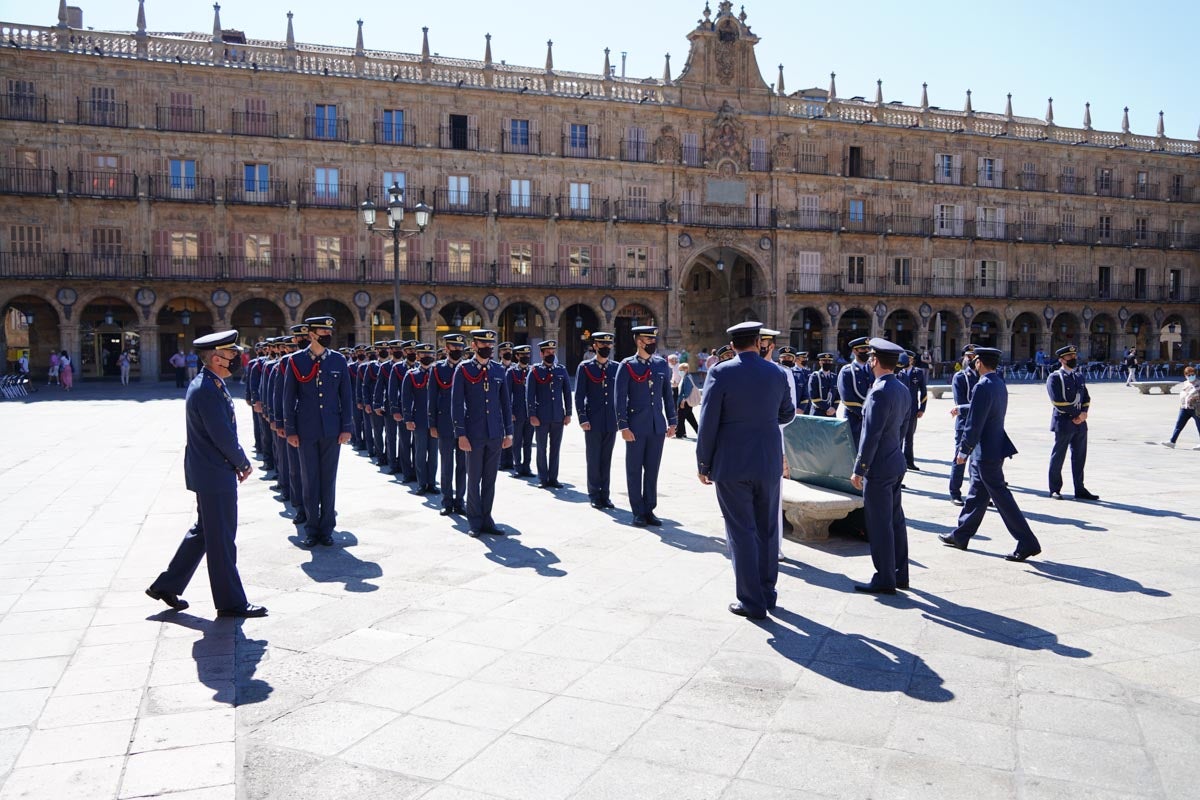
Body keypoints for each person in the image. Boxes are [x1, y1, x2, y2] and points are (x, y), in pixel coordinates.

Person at [145, 330, 266, 618]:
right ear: (215, 357)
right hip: (215, 471)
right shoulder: (208, 389)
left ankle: (167, 585)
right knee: (222, 538)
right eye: (231, 353)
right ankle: (230, 602)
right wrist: (242, 462)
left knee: (204, 532)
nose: (236, 357)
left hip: (208, 470)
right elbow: (221, 435)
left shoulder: (210, 382)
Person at [696, 321, 796, 619]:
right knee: (767, 529)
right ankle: (767, 593)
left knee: (741, 530)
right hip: (767, 461)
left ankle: (751, 601)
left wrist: (704, 462)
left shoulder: (721, 372)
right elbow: (787, 412)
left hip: (732, 463)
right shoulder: (777, 372)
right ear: (758, 342)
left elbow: (708, 420)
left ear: (734, 344)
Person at [939, 347, 1043, 562]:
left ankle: (1027, 541)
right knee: (977, 494)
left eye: (975, 360)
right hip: (995, 447)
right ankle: (961, 535)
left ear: (979, 362)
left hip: (985, 450)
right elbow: (984, 409)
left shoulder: (982, 386)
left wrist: (964, 450)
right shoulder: (997, 383)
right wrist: (963, 408)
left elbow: (975, 423)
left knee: (1002, 497)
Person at [282, 316, 353, 547]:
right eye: (322, 331)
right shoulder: (296, 361)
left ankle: (327, 528)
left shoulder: (339, 361)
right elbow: (288, 398)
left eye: (329, 330)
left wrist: (346, 427)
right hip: (306, 430)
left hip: (332, 430)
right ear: (311, 334)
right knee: (309, 479)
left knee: (328, 480)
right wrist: (290, 429)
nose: (327, 334)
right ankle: (312, 529)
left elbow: (346, 397)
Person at [849, 339, 912, 595]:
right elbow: (903, 429)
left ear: (874, 360)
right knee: (896, 520)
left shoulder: (878, 391)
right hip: (895, 461)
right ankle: (900, 573)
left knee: (879, 523)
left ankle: (884, 578)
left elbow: (871, 434)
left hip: (879, 467)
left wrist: (860, 467)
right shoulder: (901, 388)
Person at [451, 329, 513, 536]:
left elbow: (505, 403)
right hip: (473, 434)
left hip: (495, 433)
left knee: (490, 479)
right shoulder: (463, 369)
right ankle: (474, 521)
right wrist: (461, 434)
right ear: (474, 345)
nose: (488, 348)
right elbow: (457, 404)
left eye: (490, 345)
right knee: (473, 478)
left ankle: (487, 518)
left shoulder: (498, 370)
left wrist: (508, 433)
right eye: (483, 345)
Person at [615, 325, 676, 526]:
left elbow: (667, 395)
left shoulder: (661, 365)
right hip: (635, 426)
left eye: (653, 339)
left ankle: (649, 508)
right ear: (639, 341)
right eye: (648, 340)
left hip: (657, 426)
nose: (652, 343)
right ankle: (638, 511)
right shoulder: (627, 365)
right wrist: (623, 426)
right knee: (634, 469)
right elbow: (620, 398)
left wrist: (672, 421)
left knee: (652, 469)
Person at [1046, 345, 1099, 501]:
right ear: (1062, 359)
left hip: (1080, 423)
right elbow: (1057, 402)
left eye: (1074, 356)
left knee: (1079, 456)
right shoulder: (1055, 377)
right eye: (1070, 357)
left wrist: (1083, 414)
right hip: (1064, 422)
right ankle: (1055, 488)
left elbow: (1086, 398)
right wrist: (1077, 414)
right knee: (1058, 456)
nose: (1073, 359)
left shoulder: (1078, 376)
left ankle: (1080, 488)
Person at [574, 333, 618, 509]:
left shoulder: (616, 367)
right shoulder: (585, 367)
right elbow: (579, 395)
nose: (606, 347)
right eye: (602, 344)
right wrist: (582, 418)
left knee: (606, 459)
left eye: (608, 344)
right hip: (593, 420)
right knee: (593, 458)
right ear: (595, 346)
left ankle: (605, 495)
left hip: (611, 421)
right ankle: (593, 494)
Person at [430, 334, 469, 515]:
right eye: (454, 348)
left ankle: (460, 500)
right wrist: (432, 424)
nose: (457, 351)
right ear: (446, 348)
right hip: (444, 424)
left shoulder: (468, 368)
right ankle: (446, 501)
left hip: (465, 426)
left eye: (460, 348)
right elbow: (431, 399)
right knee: (446, 465)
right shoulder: (437, 369)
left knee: (463, 466)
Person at [527, 339, 571, 489]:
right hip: (541, 417)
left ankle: (553, 478)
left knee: (555, 448)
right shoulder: (534, 371)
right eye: (548, 353)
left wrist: (568, 413)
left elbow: (567, 393)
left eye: (553, 352)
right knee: (541, 447)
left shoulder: (561, 370)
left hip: (558, 415)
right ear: (541, 354)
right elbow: (530, 395)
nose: (551, 355)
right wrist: (532, 415)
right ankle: (543, 478)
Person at [401, 342, 438, 493]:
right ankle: (422, 483)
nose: (427, 356)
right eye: (423, 354)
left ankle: (432, 483)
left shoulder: (437, 374)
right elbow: (406, 398)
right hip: (419, 419)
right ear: (418, 356)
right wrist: (408, 419)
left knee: (434, 453)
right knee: (420, 452)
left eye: (430, 354)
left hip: (436, 420)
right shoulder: (411, 375)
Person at [948, 344, 979, 505]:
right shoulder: (960, 377)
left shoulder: (983, 376)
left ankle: (977, 492)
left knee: (979, 461)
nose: (972, 359)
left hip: (980, 424)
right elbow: (959, 403)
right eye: (969, 356)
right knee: (960, 458)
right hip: (964, 425)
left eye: (974, 356)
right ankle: (955, 492)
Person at [506, 344, 536, 478]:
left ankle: (527, 466)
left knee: (528, 441)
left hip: (530, 413)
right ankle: (517, 466)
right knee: (517, 441)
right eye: (523, 355)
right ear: (517, 356)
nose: (526, 357)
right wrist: (509, 412)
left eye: (527, 355)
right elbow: (506, 394)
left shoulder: (533, 371)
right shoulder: (511, 372)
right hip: (516, 413)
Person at [838, 337, 874, 445]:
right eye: (863, 349)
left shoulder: (873, 370)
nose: (867, 351)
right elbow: (847, 398)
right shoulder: (847, 371)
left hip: (871, 417)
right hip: (854, 418)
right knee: (853, 449)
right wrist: (865, 412)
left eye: (868, 349)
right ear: (854, 351)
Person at [901, 349, 928, 470]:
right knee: (897, 437)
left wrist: (922, 408)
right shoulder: (898, 372)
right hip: (899, 409)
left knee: (909, 437)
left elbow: (924, 391)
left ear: (912, 360)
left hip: (912, 409)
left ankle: (909, 461)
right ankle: (899, 462)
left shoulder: (918, 372)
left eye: (909, 359)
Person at [1161, 366, 1200, 449]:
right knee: (1179, 425)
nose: (1191, 376)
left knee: (1199, 426)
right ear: (1185, 376)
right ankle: (1172, 442)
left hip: (1196, 408)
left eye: (1192, 374)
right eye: (1188, 375)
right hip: (1184, 408)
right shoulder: (1186, 383)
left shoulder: (1198, 383)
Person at [675, 363, 700, 438]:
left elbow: (687, 390)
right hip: (686, 402)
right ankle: (699, 432)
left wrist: (683, 400)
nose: (679, 371)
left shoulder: (687, 378)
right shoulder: (686, 377)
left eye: (681, 370)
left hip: (685, 401)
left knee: (681, 417)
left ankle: (679, 433)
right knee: (690, 417)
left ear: (686, 370)